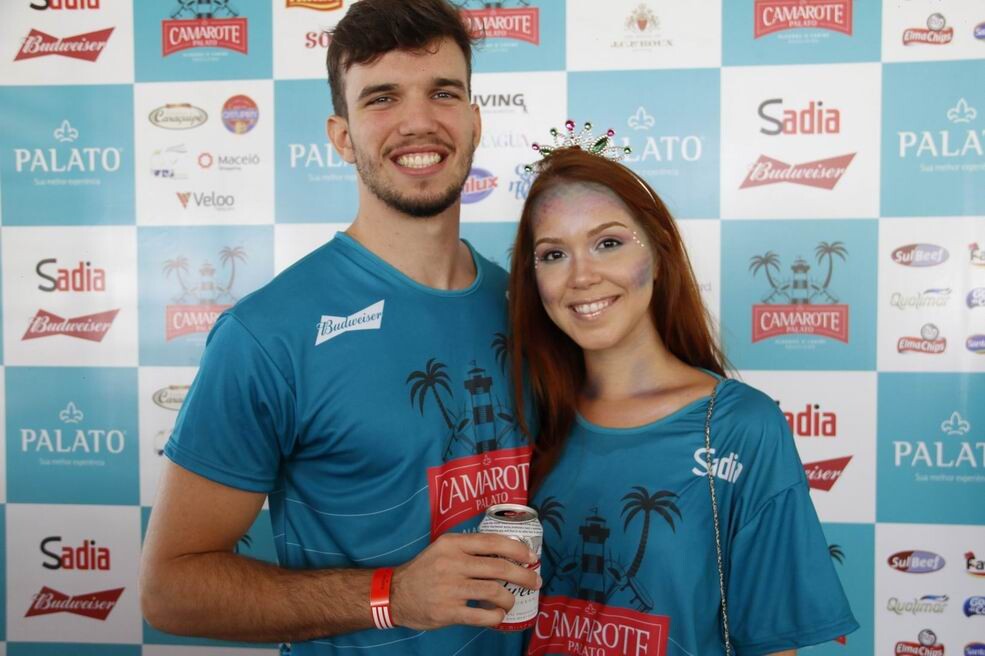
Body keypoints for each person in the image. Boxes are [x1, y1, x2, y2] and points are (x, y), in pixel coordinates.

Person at [139, 1, 540, 654]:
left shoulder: (529, 305)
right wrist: (392, 595)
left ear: (474, 121)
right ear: (342, 136)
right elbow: (170, 590)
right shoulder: (267, 335)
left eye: (443, 93)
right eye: (382, 98)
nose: (418, 121)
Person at [507, 138, 859, 655]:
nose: (581, 276)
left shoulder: (740, 426)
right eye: (553, 254)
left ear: (658, 252)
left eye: (608, 243)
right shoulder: (527, 416)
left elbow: (771, 644)